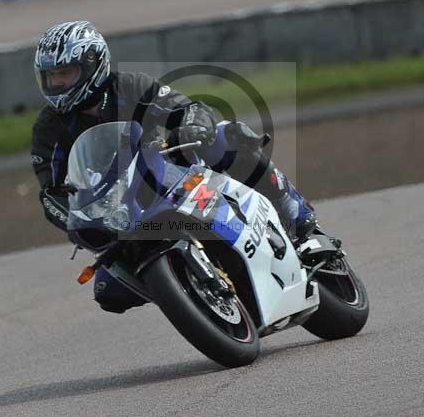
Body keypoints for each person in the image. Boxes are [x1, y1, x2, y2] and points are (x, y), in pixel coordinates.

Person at [31, 21, 317, 313]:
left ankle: (294, 211)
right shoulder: (48, 128)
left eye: (64, 74)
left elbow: (187, 108)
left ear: (92, 64)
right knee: (107, 289)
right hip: (118, 211)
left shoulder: (129, 85)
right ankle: (188, 291)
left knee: (226, 136)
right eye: (50, 76)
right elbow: (51, 192)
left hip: (170, 170)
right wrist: (73, 218)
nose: (57, 84)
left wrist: (192, 125)